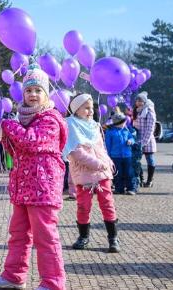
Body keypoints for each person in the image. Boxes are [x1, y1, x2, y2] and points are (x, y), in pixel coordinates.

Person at [0, 65, 67, 290]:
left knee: (46, 238)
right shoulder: (23, 119)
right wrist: (6, 139)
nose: (33, 95)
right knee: (18, 235)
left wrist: (9, 125)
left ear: (46, 94)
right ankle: (14, 277)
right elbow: (18, 151)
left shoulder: (50, 118)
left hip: (43, 188)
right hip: (23, 187)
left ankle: (53, 283)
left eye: (38, 90)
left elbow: (32, 142)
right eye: (29, 90)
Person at [64, 94, 119, 254]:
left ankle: (113, 237)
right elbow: (76, 153)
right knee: (83, 206)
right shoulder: (71, 126)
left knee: (107, 204)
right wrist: (99, 164)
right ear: (76, 109)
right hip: (84, 175)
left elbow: (101, 148)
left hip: (103, 174)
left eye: (92, 108)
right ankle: (83, 236)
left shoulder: (95, 126)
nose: (91, 111)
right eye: (86, 108)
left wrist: (107, 161)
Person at [105, 112, 137, 195]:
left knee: (129, 172)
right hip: (115, 156)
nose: (124, 124)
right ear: (116, 123)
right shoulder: (110, 132)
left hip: (127, 155)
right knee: (118, 174)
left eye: (124, 122)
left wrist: (131, 141)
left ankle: (131, 188)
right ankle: (119, 188)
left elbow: (132, 138)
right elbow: (107, 145)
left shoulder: (126, 130)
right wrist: (108, 156)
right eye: (122, 123)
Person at [133, 92, 158, 188]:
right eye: (137, 100)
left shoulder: (149, 111)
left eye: (140, 101)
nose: (138, 103)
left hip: (147, 140)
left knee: (150, 160)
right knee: (136, 160)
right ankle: (141, 179)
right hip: (137, 139)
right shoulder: (136, 111)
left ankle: (149, 180)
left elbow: (150, 129)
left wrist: (144, 142)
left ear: (144, 102)